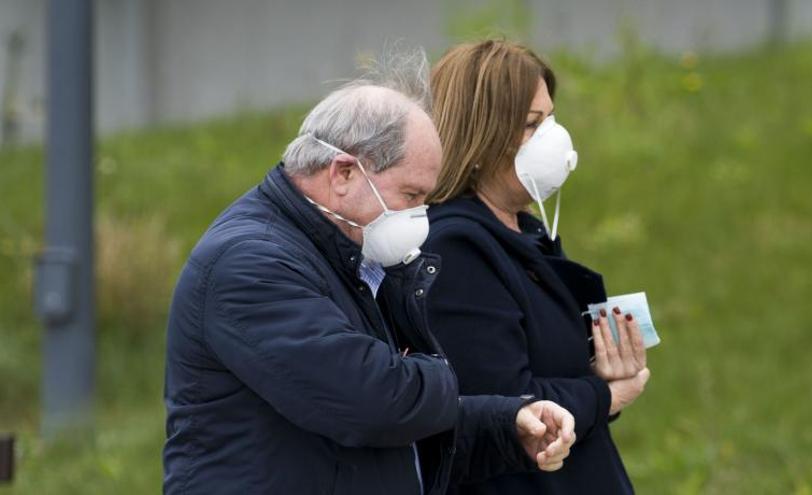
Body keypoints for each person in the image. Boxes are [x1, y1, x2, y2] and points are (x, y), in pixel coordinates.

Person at [162, 49, 579, 495]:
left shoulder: (351, 253)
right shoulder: (249, 263)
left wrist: (506, 424)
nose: (422, 215)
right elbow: (373, 403)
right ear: (343, 173)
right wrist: (440, 371)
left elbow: (400, 436)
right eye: (411, 194)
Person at [423, 40, 652, 494]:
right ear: (479, 138)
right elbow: (509, 408)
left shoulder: (522, 231)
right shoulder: (456, 250)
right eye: (532, 125)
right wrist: (605, 395)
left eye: (551, 119)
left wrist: (601, 372)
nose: (552, 138)